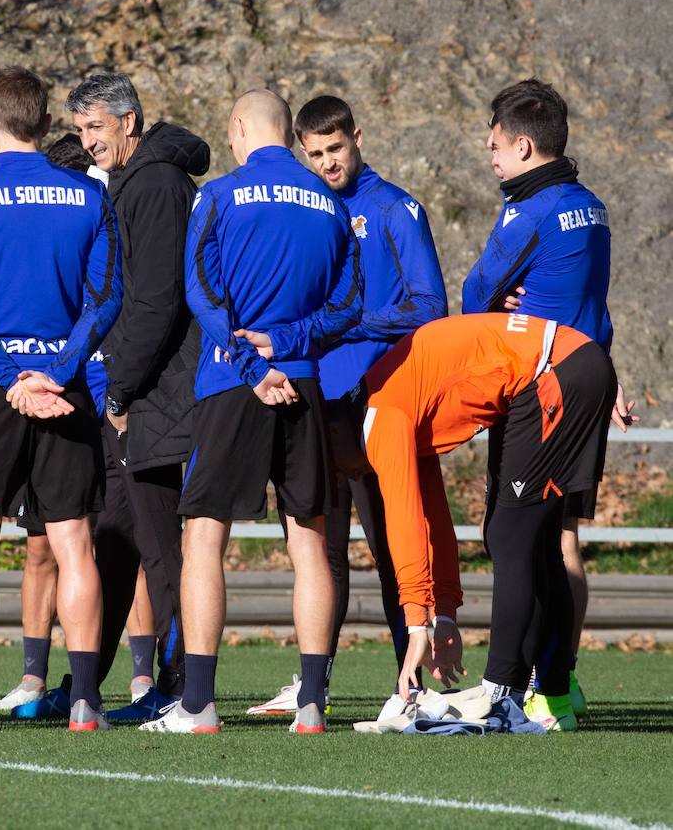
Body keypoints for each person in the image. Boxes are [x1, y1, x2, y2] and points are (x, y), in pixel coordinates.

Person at [141, 89, 361, 736]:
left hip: (234, 386)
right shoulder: (331, 204)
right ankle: (313, 703)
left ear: (240, 129)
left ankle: (199, 704)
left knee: (204, 539)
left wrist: (250, 367)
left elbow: (202, 295)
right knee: (310, 542)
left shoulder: (220, 195)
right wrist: (287, 349)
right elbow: (349, 304)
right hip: (305, 384)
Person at [290, 313, 616, 732]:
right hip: (574, 363)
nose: (350, 478)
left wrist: (415, 627)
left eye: (337, 472)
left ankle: (500, 694)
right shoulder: (390, 399)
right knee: (534, 541)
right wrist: (442, 616)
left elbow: (404, 524)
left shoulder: (380, 417)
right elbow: (434, 521)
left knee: (510, 536)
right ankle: (549, 695)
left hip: (554, 372)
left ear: (333, 437)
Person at [0, 67, 122, 733]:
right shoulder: (90, 199)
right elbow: (106, 299)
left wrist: (10, 375)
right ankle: (87, 702)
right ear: (44, 124)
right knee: (74, 544)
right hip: (63, 389)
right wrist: (57, 370)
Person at [248, 95, 447, 715]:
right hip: (318, 402)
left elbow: (430, 305)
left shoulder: (395, 208)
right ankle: (315, 684)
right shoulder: (309, 212)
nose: (329, 163)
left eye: (337, 149)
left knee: (393, 550)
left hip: (382, 400)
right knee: (322, 550)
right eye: (316, 154)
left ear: (357, 138)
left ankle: (410, 687)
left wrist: (350, 324)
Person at [461, 79, 632, 716]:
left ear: (525, 146)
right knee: (548, 537)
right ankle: (554, 686)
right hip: (588, 371)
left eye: (496, 141)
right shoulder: (590, 205)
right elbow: (594, 304)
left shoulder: (527, 211)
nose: (489, 148)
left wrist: (504, 306)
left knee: (510, 535)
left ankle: (502, 688)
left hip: (544, 381)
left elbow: (475, 295)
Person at [0, 133, 157, 720]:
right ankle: (33, 678)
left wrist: (122, 389)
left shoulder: (103, 217)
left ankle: (140, 679)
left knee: (115, 535)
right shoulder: (46, 223)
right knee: (41, 546)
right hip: (45, 399)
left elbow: (122, 305)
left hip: (97, 400)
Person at [67, 73, 210, 715]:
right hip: (143, 387)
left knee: (160, 547)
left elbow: (155, 300)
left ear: (129, 123)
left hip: (159, 391)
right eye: (80, 131)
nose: (87, 141)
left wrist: (120, 394)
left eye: (96, 128)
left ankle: (180, 690)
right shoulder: (138, 178)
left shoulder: (153, 183)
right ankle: (85, 686)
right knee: (116, 539)